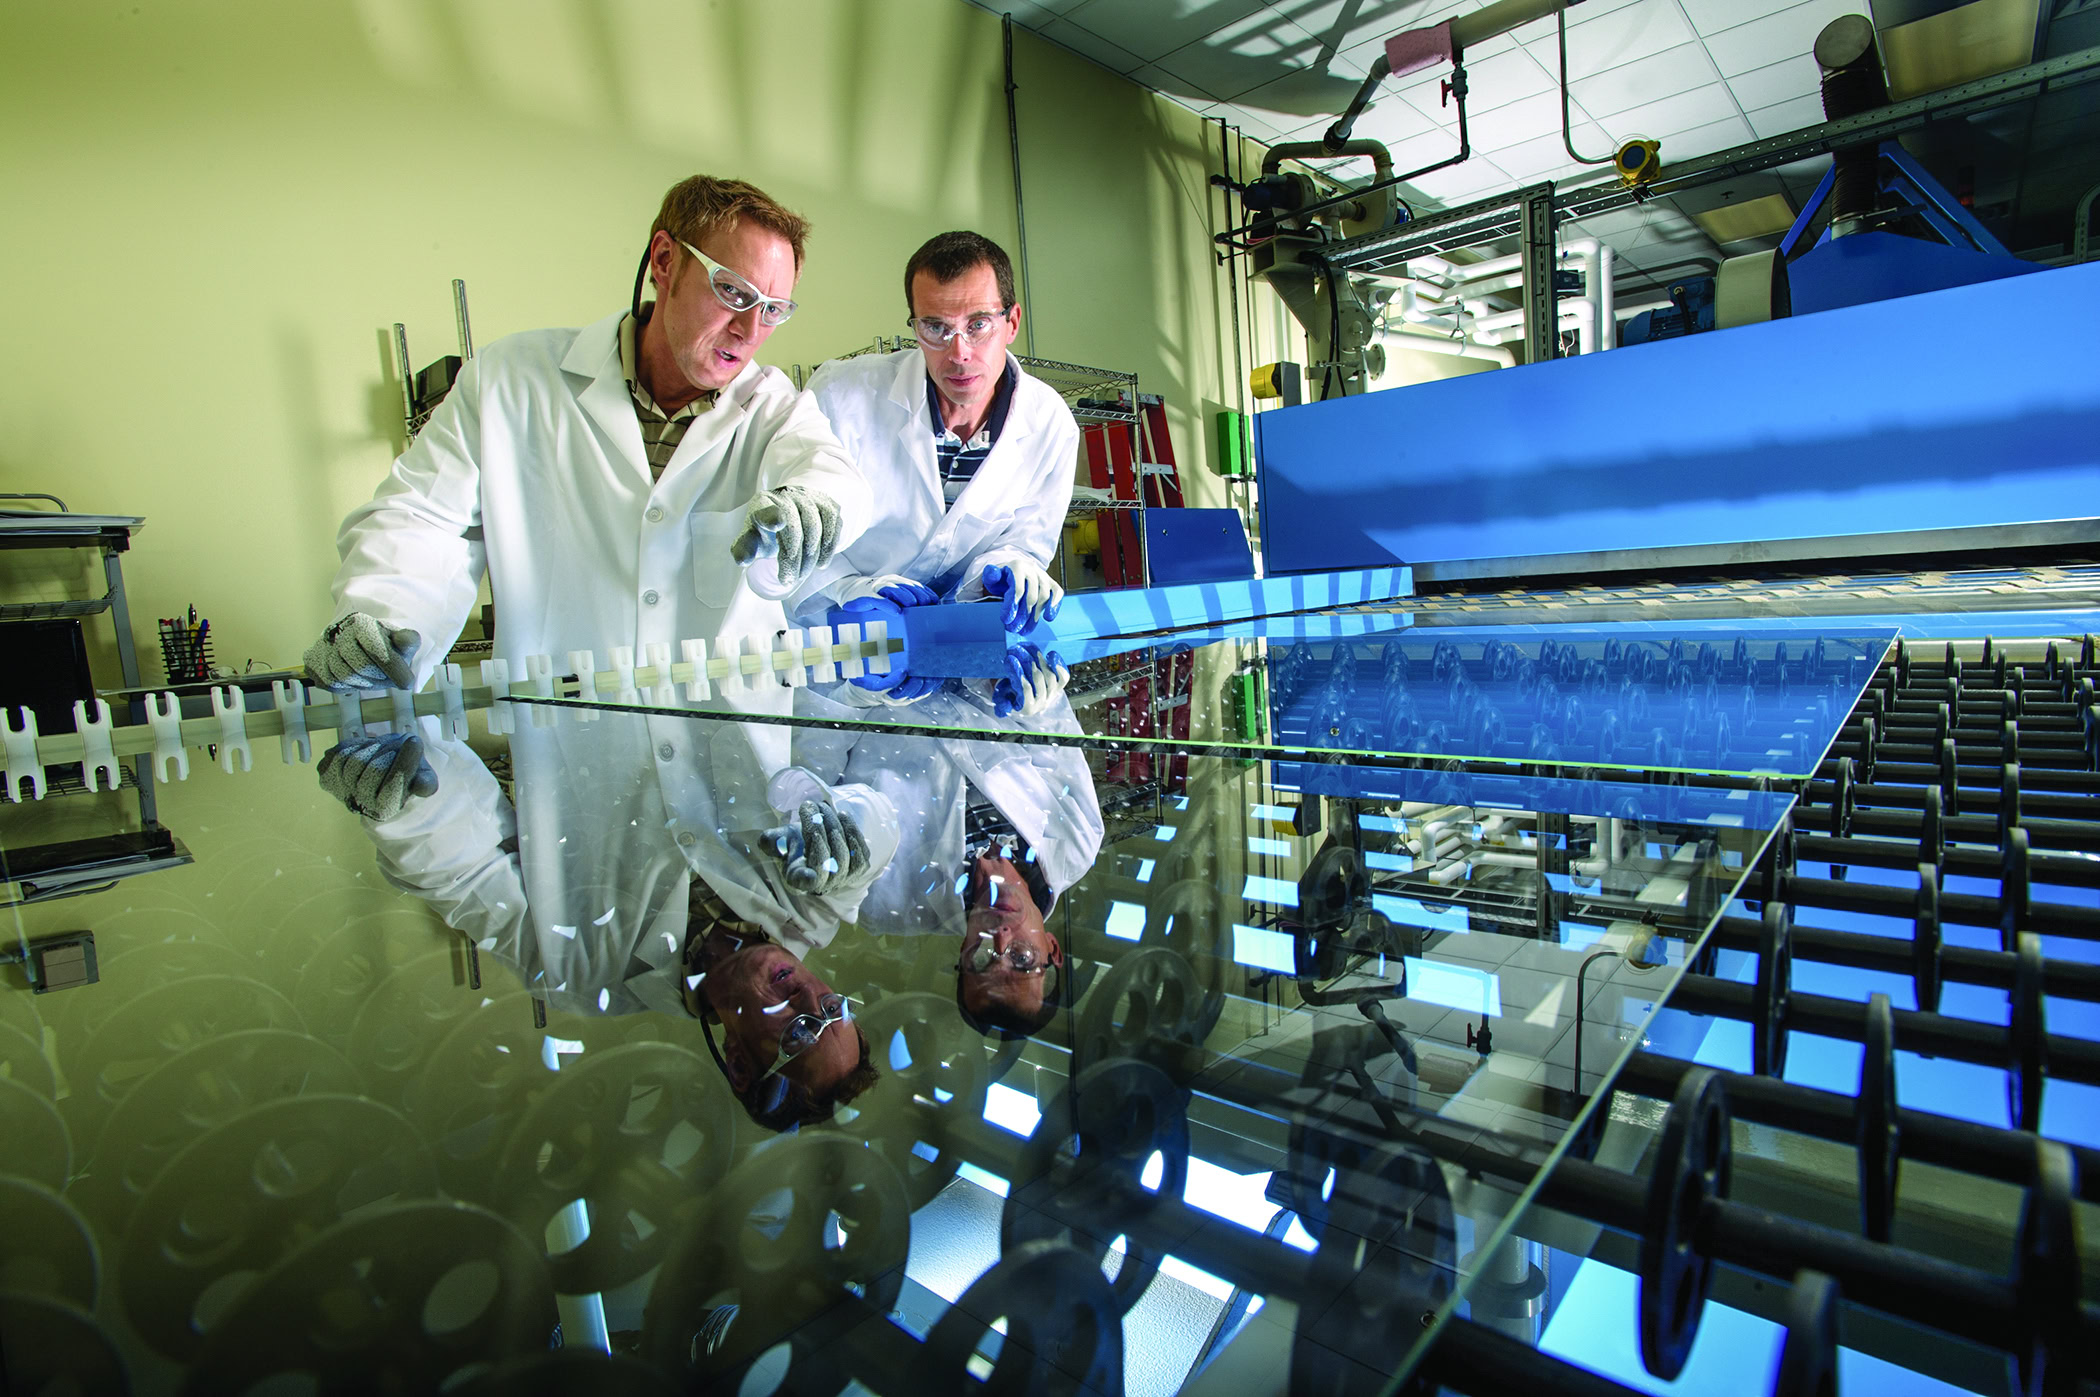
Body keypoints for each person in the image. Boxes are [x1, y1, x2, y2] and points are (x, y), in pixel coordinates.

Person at [304, 174, 876, 818]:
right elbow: (421, 519)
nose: (749, 329)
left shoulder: (774, 410)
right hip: (574, 783)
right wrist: (382, 619)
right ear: (664, 262)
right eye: (733, 292)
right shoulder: (510, 382)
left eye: (773, 309)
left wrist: (815, 507)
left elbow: (834, 478)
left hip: (737, 799)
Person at [791, 231, 1078, 671]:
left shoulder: (1050, 424)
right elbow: (799, 530)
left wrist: (1008, 570)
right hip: (842, 654)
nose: (958, 353)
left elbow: (1024, 543)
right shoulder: (841, 395)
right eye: (936, 328)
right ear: (915, 323)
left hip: (967, 655)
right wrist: (847, 589)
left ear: (1012, 322)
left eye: (978, 324)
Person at [954, 839, 1067, 1038]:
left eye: (981, 960)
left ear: (964, 950)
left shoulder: (898, 893)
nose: (1001, 935)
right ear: (1052, 948)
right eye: (1022, 958)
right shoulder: (1072, 846)